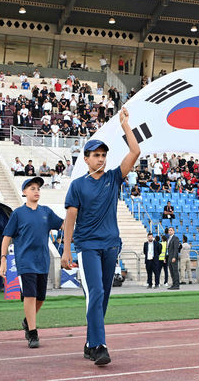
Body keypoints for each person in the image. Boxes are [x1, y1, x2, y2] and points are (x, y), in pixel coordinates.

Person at [60, 107, 140, 366]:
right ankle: (99, 346)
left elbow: (135, 152)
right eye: (96, 155)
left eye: (104, 155)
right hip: (87, 247)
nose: (101, 159)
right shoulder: (78, 185)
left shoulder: (114, 178)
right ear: (85, 159)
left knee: (103, 296)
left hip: (110, 246)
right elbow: (69, 219)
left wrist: (125, 125)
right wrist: (66, 249)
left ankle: (89, 341)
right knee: (94, 292)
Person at [0, 177, 64, 348]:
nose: (36, 191)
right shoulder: (18, 213)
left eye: (38, 188)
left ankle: (27, 321)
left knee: (41, 297)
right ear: (24, 192)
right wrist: (3, 259)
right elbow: (6, 237)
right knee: (30, 295)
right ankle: (33, 333)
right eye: (32, 188)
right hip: (25, 261)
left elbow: (63, 225)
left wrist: (76, 214)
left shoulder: (46, 212)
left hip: (43, 260)